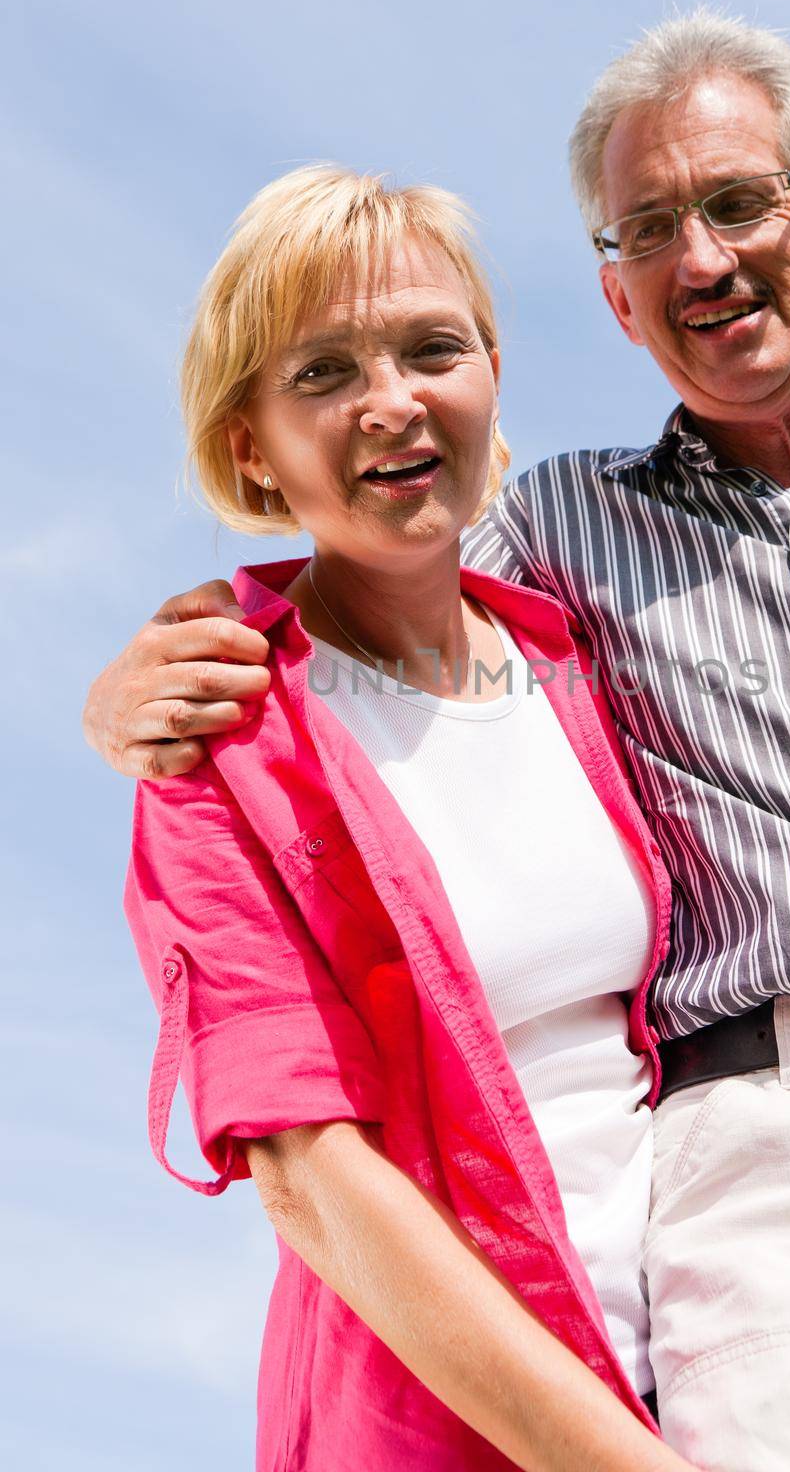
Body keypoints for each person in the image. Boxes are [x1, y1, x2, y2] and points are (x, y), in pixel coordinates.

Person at [85, 9, 790, 1471]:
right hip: (776, 1188)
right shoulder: (554, 546)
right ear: (614, 301)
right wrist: (139, 689)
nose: (705, 258)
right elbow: (364, 562)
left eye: (739, 203)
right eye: (650, 229)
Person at [116, 164, 701, 1472]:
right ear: (248, 443)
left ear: (490, 372)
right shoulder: (224, 741)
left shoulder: (582, 656)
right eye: (322, 373)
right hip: (450, 1430)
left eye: (432, 348)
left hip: (711, 1373)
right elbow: (310, 1180)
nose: (392, 401)